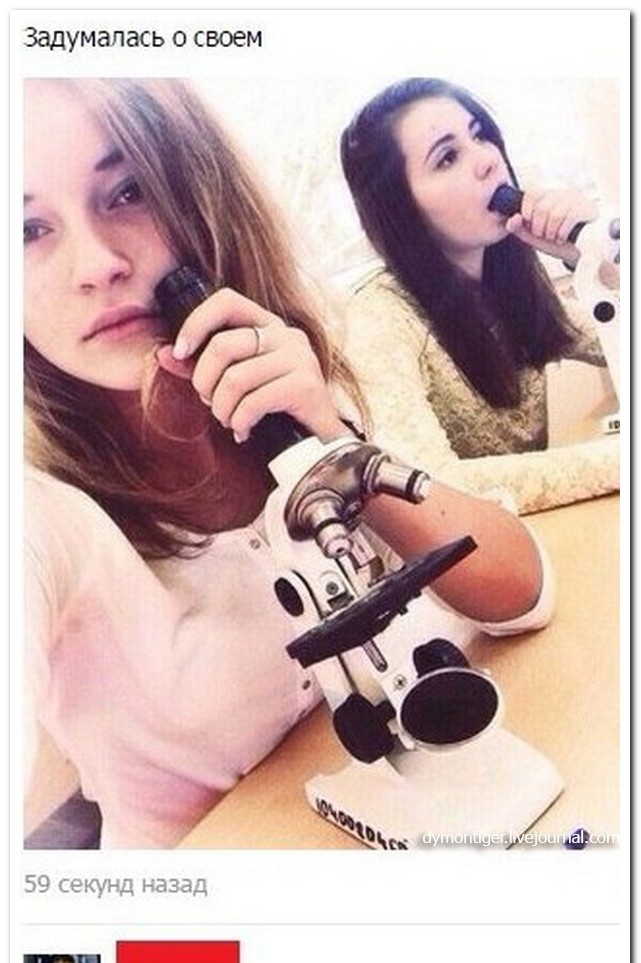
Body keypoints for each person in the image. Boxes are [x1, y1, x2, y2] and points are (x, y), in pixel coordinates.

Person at [24, 78, 554, 850]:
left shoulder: (291, 376)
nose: (97, 264)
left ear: (204, 195)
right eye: (27, 229)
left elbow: (521, 594)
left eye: (128, 192)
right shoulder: (38, 512)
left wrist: (330, 437)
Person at [340, 77, 620, 514]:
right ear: (401, 208)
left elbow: (616, 345)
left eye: (480, 135)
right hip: (481, 554)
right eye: (447, 157)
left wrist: (595, 258)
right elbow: (428, 484)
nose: (488, 160)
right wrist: (621, 460)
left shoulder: (506, 279)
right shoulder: (378, 316)